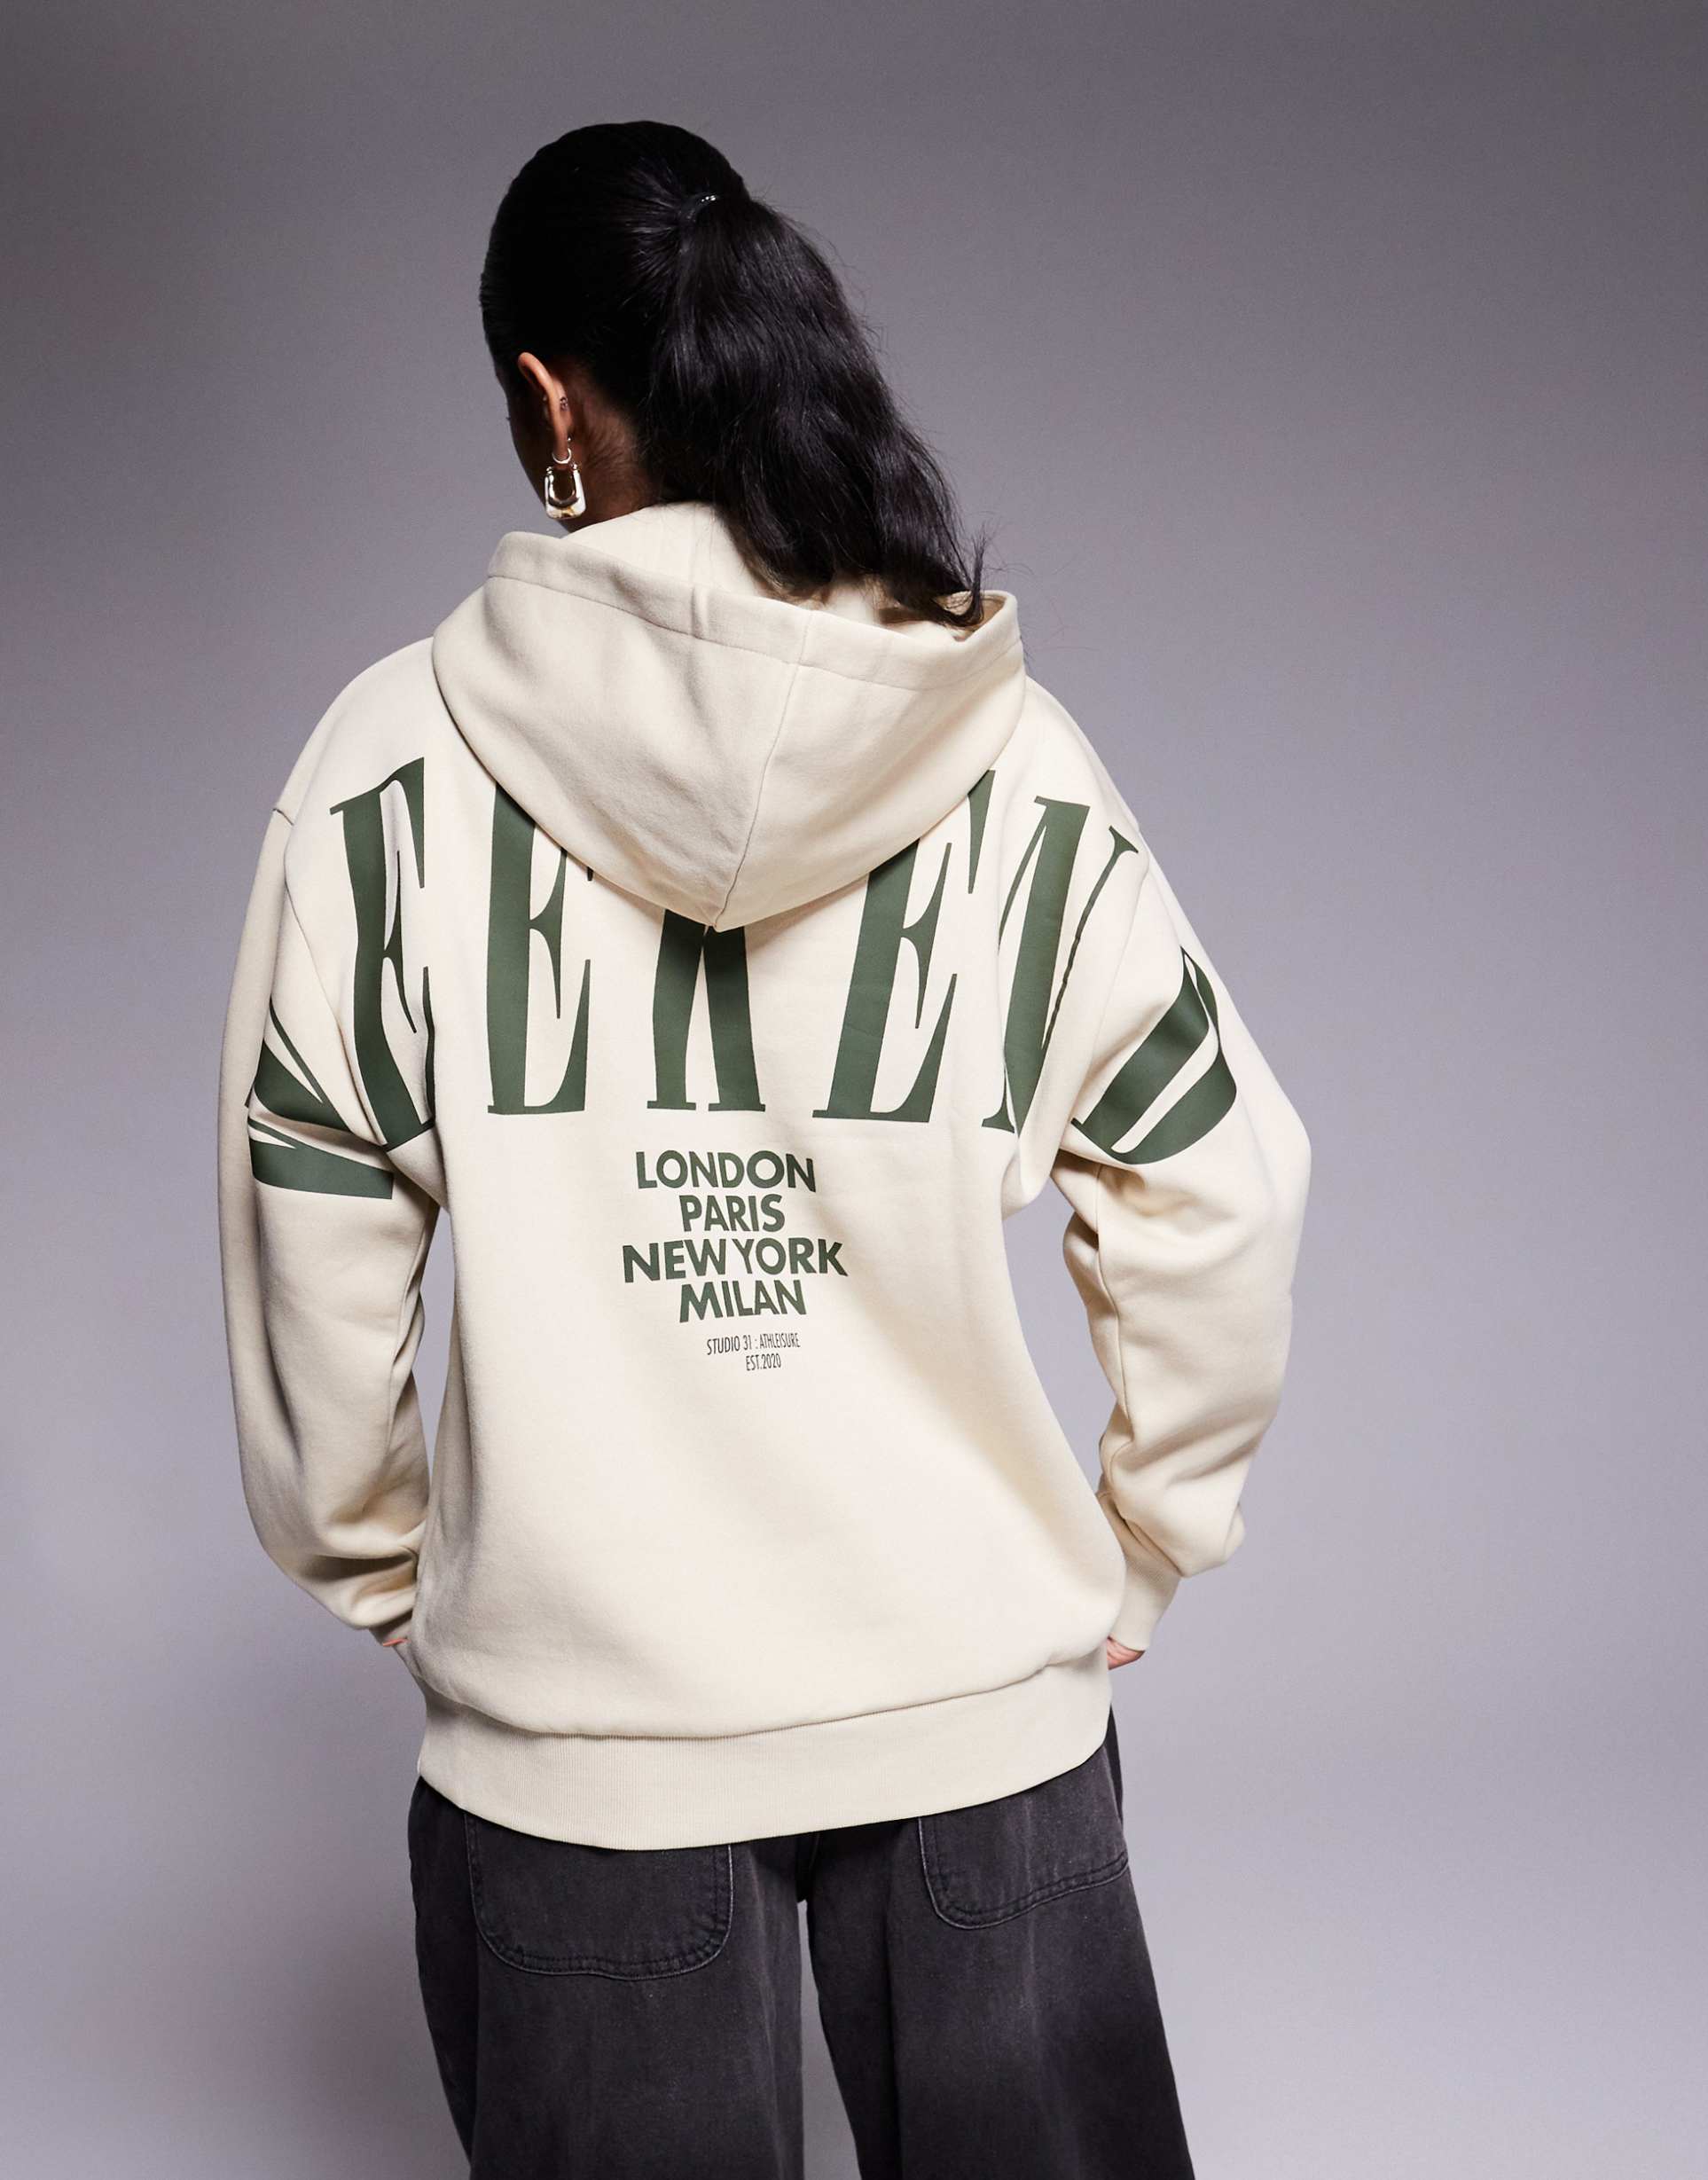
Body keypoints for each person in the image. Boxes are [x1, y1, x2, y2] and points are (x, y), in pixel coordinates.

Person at [215, 119, 1311, 2179]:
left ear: (548, 402)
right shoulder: (1006, 754)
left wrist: (384, 1561)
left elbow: (313, 1209)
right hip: (978, 1702)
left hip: (583, 1741)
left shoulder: (384, 770)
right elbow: (1219, 1177)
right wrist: (1151, 1527)